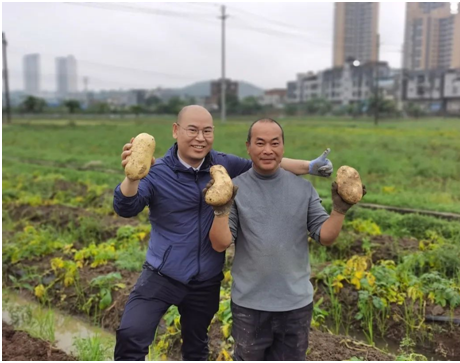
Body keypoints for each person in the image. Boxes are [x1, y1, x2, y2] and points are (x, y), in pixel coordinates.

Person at [113, 106, 334, 361]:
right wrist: (132, 178)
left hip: (205, 280)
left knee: (196, 347)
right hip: (162, 273)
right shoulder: (157, 170)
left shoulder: (224, 165)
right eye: (192, 130)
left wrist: (310, 167)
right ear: (176, 131)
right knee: (131, 334)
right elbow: (126, 207)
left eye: (207, 131)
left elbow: (263, 160)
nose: (200, 137)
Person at [206, 118, 366, 361]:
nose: (267, 150)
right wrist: (221, 209)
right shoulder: (235, 188)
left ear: (283, 147)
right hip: (250, 306)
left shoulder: (303, 189)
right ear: (248, 147)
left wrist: (340, 209)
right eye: (260, 143)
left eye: (274, 143)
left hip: (295, 305)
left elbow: (325, 236)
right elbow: (220, 243)